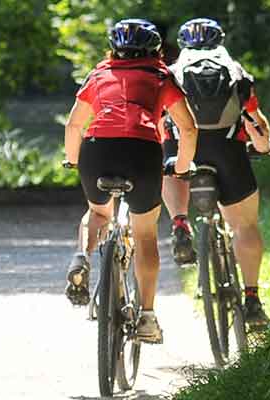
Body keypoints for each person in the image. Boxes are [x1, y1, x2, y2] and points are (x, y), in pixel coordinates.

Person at [62, 18, 199, 344]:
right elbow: (189, 128)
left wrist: (75, 160)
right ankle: (147, 318)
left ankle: (81, 256)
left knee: (97, 213)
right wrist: (181, 168)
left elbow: (73, 126)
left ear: (114, 49)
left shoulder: (99, 74)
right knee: (145, 232)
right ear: (156, 50)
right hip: (142, 151)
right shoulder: (161, 75)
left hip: (98, 150)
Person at [160, 17, 270, 332]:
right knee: (246, 226)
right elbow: (255, 122)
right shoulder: (235, 72)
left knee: (168, 161)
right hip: (227, 152)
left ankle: (180, 223)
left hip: (185, 150)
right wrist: (265, 146)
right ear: (219, 41)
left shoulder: (170, 74)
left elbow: (161, 124)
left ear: (184, 44)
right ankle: (252, 299)